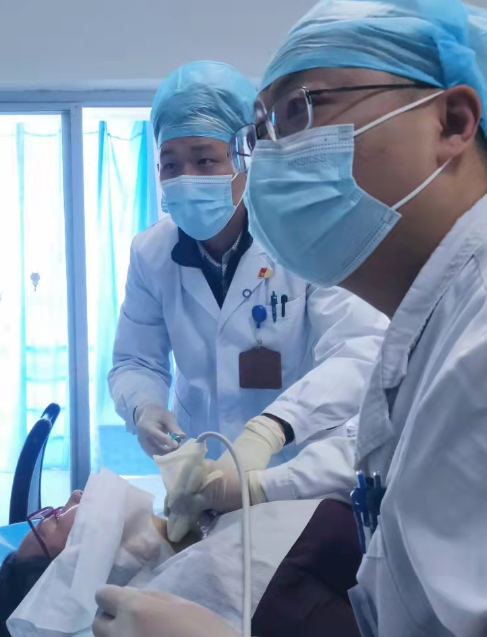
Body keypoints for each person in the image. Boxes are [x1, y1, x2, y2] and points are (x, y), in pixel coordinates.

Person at [92, 0, 487, 637]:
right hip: (225, 485)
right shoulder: (433, 322)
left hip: (285, 489)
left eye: (302, 111)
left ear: (454, 122)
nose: (277, 156)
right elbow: (135, 360)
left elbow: (349, 367)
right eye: (266, 129)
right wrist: (148, 412)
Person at [109, 60, 387, 467]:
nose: (186, 177)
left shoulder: (306, 236)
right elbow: (135, 360)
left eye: (204, 160)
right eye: (170, 164)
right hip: (200, 462)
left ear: (245, 155)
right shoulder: (150, 253)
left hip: (292, 463)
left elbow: (359, 350)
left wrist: (274, 427)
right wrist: (144, 406)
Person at [0, 471, 365, 637]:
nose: (73, 496)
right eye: (52, 520)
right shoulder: (232, 587)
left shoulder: (209, 533)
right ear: (75, 580)